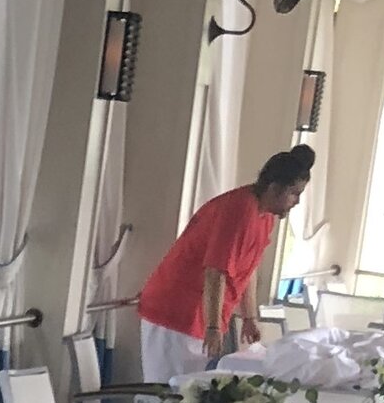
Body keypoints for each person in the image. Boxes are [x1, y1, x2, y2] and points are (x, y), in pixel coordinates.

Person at [133, 145, 313, 385]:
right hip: (176, 312)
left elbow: (247, 270)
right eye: (294, 193)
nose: (296, 202)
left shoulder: (265, 217)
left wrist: (249, 317)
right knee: (166, 393)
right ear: (274, 188)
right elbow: (215, 272)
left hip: (200, 315)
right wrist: (213, 326)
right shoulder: (238, 210)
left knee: (189, 396)